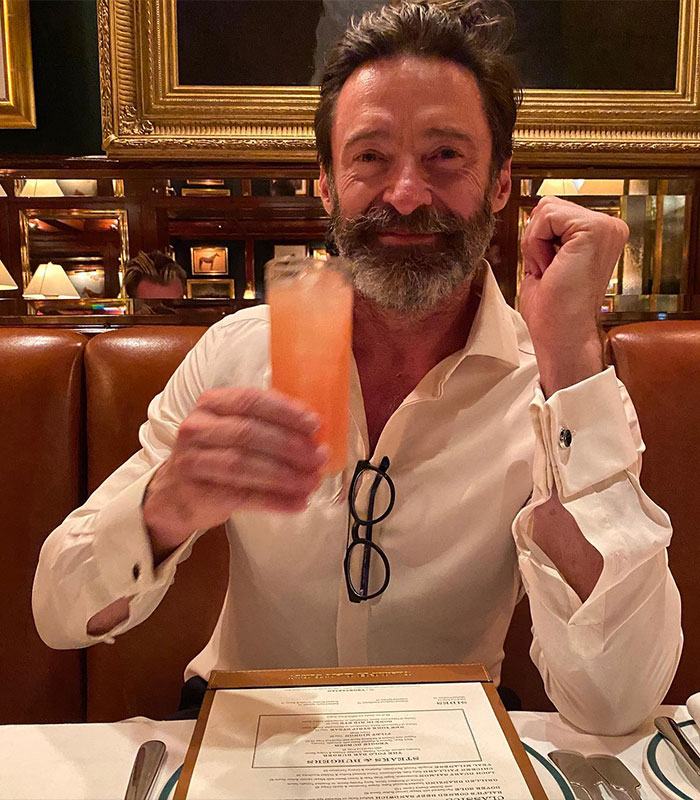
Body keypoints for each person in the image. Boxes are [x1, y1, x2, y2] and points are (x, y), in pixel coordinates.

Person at [33, 0, 681, 734]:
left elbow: (619, 697)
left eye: (446, 156)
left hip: (453, 745)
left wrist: (569, 363)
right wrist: (163, 508)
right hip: (249, 734)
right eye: (370, 157)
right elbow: (59, 612)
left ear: (501, 186)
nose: (406, 194)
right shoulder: (240, 350)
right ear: (327, 185)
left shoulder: (560, 383)